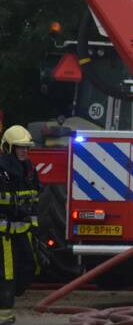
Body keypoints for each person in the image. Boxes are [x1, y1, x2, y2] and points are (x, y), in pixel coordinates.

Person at [0, 126, 39, 325]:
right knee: (7, 274)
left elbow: (35, 196)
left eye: (26, 147)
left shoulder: (29, 169)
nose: (24, 151)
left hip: (23, 231)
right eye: (19, 147)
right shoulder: (2, 170)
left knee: (29, 268)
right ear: (8, 147)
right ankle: (3, 315)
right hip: (3, 233)